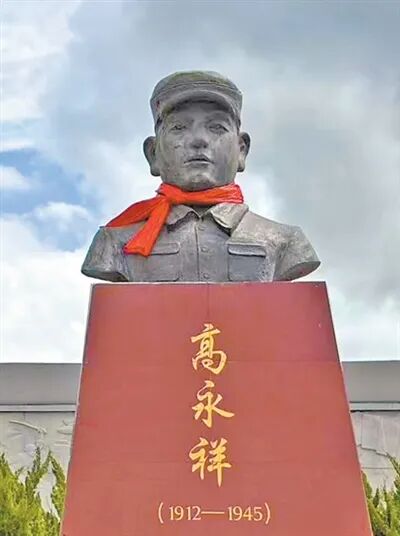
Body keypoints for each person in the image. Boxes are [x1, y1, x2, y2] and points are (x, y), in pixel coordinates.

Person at [81, 71, 320, 283]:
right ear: (153, 154)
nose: (199, 140)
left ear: (241, 150)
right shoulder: (114, 243)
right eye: (178, 127)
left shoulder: (285, 242)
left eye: (216, 127)